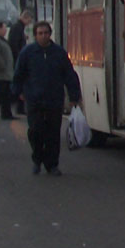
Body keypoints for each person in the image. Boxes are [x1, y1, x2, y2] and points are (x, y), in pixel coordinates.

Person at [11, 21, 81, 176]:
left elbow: (69, 75)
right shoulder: (28, 53)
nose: (43, 36)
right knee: (35, 131)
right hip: (34, 99)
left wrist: (74, 96)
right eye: (40, 33)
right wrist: (17, 92)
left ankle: (52, 164)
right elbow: (19, 74)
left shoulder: (59, 53)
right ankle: (37, 159)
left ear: (50, 34)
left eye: (46, 33)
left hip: (54, 99)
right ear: (35, 35)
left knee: (53, 134)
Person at [8, 9, 32, 115]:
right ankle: (20, 107)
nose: (29, 23)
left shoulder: (17, 27)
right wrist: (20, 58)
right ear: (25, 18)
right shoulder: (17, 28)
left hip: (17, 58)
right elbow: (14, 45)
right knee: (20, 83)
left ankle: (20, 107)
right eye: (29, 20)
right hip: (17, 59)